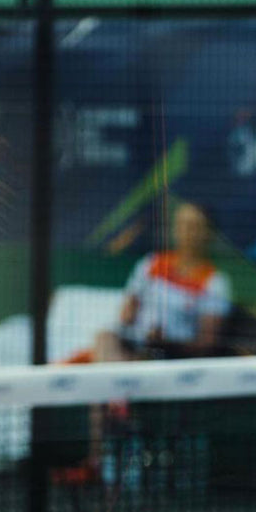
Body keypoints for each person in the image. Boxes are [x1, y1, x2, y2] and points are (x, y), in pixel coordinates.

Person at [75, 201, 231, 478]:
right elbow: (126, 314)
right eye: (182, 225)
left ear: (208, 233)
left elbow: (207, 343)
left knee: (102, 382)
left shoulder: (214, 282)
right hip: (131, 348)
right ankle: (118, 401)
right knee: (104, 338)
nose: (187, 232)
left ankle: (98, 454)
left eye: (195, 226)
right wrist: (129, 317)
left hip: (171, 357)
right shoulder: (151, 264)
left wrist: (166, 341)